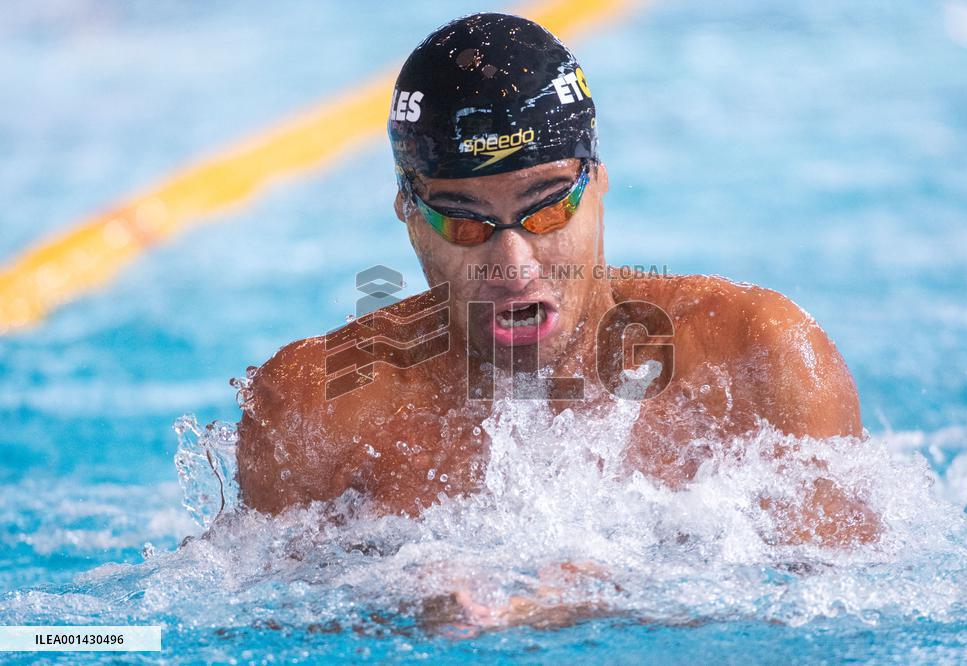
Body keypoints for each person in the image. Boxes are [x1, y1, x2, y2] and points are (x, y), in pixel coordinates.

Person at [236, 12, 879, 625]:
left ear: (596, 181)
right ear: (407, 211)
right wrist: (393, 609)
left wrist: (615, 599)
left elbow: (853, 614)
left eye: (545, 211)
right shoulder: (317, 405)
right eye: (465, 223)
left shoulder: (760, 359)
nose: (512, 264)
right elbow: (222, 630)